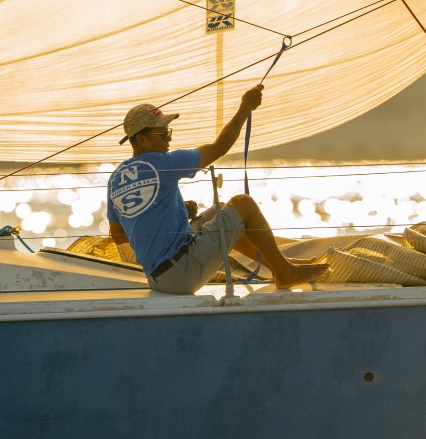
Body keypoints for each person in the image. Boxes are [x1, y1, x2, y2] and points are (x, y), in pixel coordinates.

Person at [106, 85, 327, 293]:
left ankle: (277, 263)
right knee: (243, 204)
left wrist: (173, 214)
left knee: (220, 210)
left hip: (158, 279)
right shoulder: (163, 163)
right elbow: (220, 147)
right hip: (181, 275)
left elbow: (117, 236)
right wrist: (245, 107)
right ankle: (285, 273)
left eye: (168, 131)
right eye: (163, 134)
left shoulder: (115, 178)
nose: (169, 139)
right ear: (142, 140)